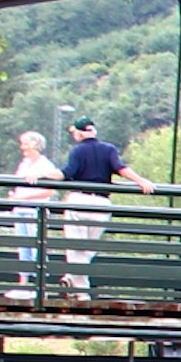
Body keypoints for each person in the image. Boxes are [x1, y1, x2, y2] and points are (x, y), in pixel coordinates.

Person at [53, 116, 149, 302]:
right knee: (89, 249)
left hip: (79, 200)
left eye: (74, 132)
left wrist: (39, 175)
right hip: (102, 204)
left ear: (80, 133)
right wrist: (141, 181)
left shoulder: (78, 151)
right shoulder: (109, 149)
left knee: (75, 247)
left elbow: (66, 173)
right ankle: (77, 285)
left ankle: (77, 287)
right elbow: (120, 168)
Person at [6, 131, 62, 304]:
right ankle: (23, 285)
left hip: (35, 211)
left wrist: (24, 198)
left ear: (35, 145)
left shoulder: (45, 165)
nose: (23, 147)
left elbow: (51, 190)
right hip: (21, 209)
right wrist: (14, 196)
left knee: (36, 247)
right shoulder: (23, 164)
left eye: (25, 144)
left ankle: (39, 286)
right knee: (22, 247)